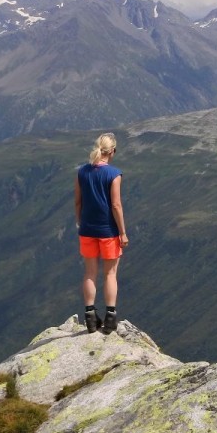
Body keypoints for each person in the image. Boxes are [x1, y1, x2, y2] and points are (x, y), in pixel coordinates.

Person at [75, 131, 128, 334]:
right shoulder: (114, 174)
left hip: (87, 229)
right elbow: (116, 204)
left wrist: (81, 222)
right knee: (110, 273)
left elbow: (78, 201)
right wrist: (122, 232)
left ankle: (90, 316)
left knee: (89, 272)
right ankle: (111, 317)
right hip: (108, 231)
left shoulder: (82, 172)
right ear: (112, 151)